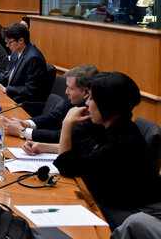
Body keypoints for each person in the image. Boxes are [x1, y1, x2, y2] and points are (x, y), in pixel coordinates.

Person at [52, 72, 161, 229]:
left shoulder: (122, 142)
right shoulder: (109, 126)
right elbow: (74, 154)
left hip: (134, 212)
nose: (87, 103)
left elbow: (67, 167)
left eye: (91, 98)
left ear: (106, 104)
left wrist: (67, 123)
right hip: (114, 200)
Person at [9, 64, 98, 143]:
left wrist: (23, 132)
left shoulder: (90, 112)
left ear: (86, 92)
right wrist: (26, 123)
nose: (66, 92)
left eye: (71, 88)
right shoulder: (74, 101)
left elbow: (61, 137)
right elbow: (54, 117)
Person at [0, 23, 52, 115]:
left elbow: (31, 90)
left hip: (25, 104)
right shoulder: (16, 52)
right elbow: (8, 74)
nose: (7, 46)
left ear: (21, 40)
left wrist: (6, 89)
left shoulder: (33, 57)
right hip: (12, 98)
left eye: (9, 42)